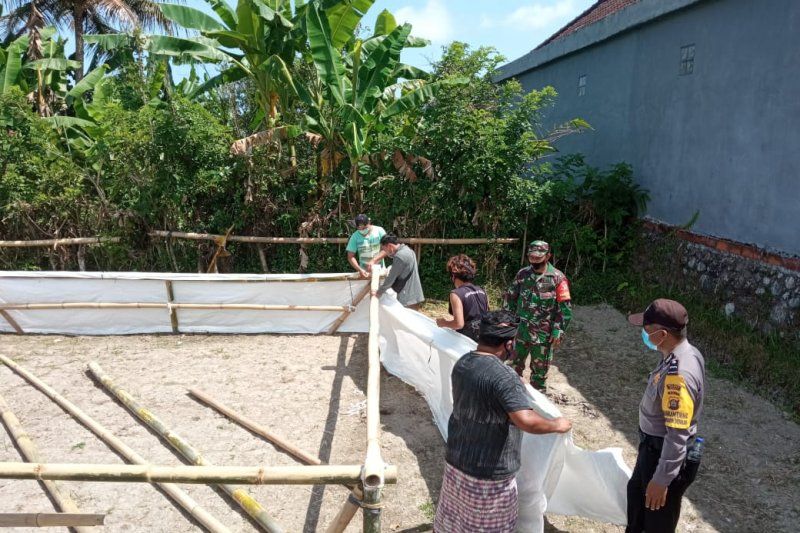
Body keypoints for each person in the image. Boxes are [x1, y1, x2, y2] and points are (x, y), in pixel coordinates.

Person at [433, 310, 572, 533]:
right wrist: (557, 424)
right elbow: (525, 420)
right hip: (489, 477)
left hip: (457, 462)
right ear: (509, 344)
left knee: (454, 523)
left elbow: (483, 394)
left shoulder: (463, 363)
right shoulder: (503, 376)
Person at [626, 299, 706, 533]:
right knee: (637, 509)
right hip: (652, 450)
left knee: (654, 524)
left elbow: (677, 434)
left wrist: (662, 479)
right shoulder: (681, 354)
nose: (643, 334)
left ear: (662, 334)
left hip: (663, 455)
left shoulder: (678, 375)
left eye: (647, 331)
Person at [503, 240, 572, 391]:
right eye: (531, 257)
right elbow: (510, 298)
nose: (534, 261)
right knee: (511, 370)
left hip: (543, 336)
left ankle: (537, 408)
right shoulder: (523, 274)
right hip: (520, 332)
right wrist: (507, 322)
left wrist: (558, 330)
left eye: (538, 258)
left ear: (548, 256)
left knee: (539, 376)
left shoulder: (557, 278)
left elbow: (565, 309)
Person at [436, 254, 489, 341]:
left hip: (466, 340)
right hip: (483, 337)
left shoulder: (456, 294)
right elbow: (486, 315)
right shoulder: (482, 290)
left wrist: (443, 323)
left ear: (453, 276)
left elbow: (459, 324)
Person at [372, 234, 424, 309]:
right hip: (415, 293)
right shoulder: (408, 250)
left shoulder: (399, 256)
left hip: (407, 296)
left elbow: (391, 278)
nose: (386, 252)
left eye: (385, 249)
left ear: (390, 246)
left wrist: (378, 293)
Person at [345, 214, 386, 278]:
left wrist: (373, 261)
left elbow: (387, 249)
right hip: (364, 273)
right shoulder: (354, 236)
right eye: (360, 229)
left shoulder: (379, 231)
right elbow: (350, 256)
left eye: (364, 228)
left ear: (369, 222)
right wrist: (359, 269)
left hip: (380, 271)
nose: (362, 230)